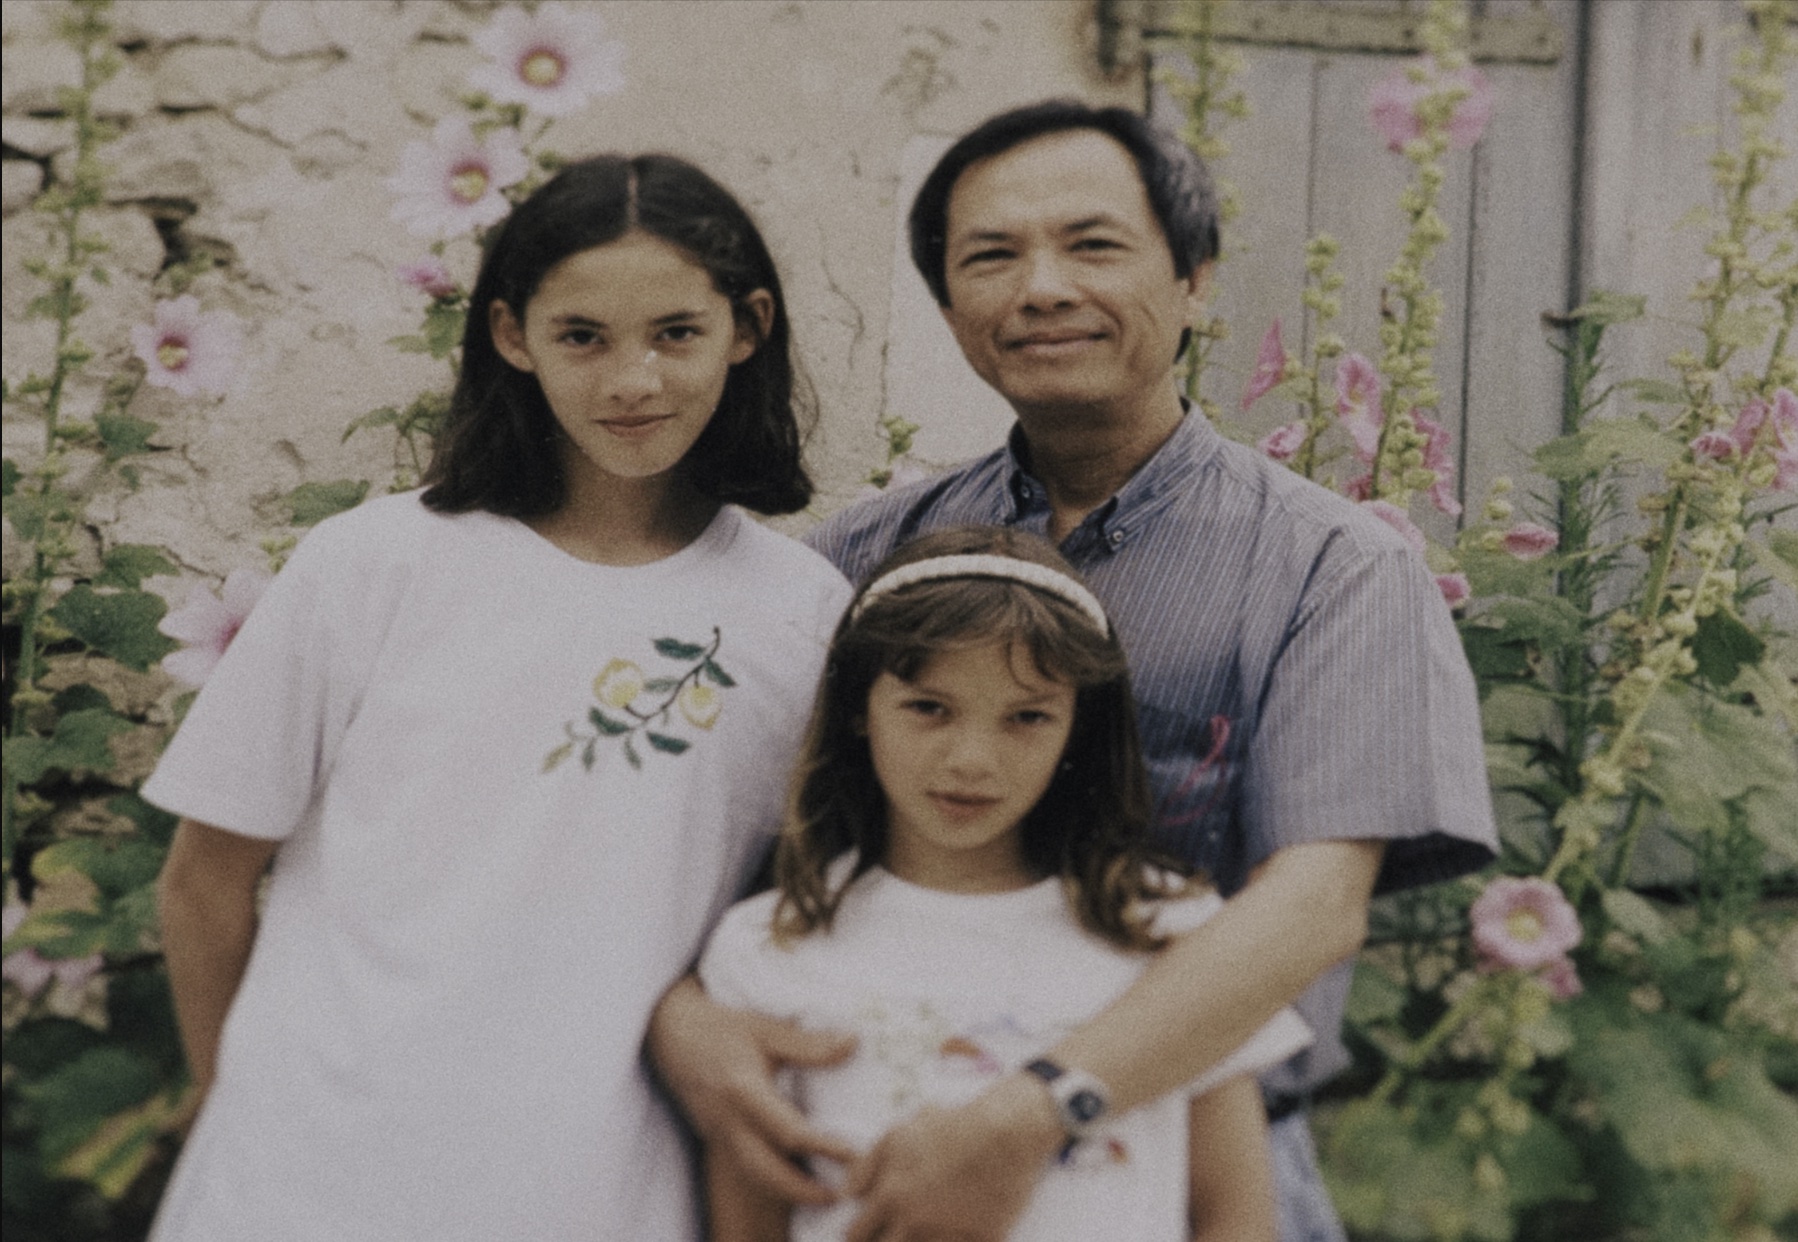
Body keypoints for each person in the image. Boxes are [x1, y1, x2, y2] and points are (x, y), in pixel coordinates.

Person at [648, 100, 1498, 1242]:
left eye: (1092, 245)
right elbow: (731, 848)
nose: (1042, 288)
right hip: (866, 1159)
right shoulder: (855, 562)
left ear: (1194, 281)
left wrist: (1033, 1113)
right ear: (950, 310)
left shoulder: (1333, 570)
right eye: (991, 257)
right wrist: (683, 1022)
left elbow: (1312, 910)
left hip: (1199, 1165)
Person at [146, 153, 852, 1240]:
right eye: (583, 337)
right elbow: (206, 879)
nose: (632, 380)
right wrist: (226, 1097)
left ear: (747, 328)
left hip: (596, 1187)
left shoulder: (800, 615)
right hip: (307, 1176)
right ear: (513, 337)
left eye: (675, 332)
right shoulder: (372, 564)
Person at [697, 526, 1312, 1242]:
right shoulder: (771, 942)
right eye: (929, 708)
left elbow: (1234, 1216)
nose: (972, 759)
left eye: (1026, 716)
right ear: (858, 706)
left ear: (1077, 724)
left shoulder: (1168, 926)